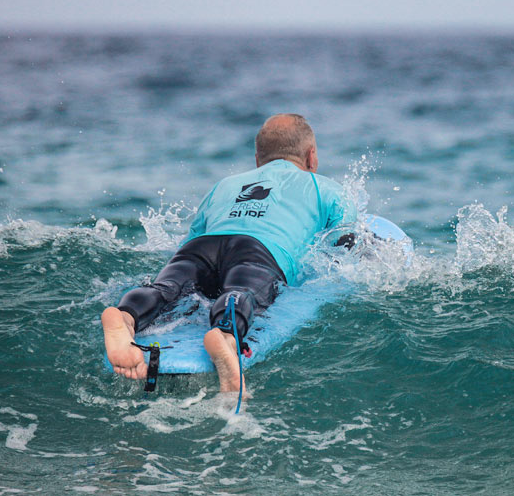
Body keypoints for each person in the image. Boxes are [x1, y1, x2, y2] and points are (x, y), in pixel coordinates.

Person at [101, 114, 354, 393]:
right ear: (312, 157)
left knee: (166, 288)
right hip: (260, 251)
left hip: (202, 247)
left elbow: (192, 238)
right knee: (241, 292)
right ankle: (225, 335)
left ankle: (126, 317)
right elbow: (345, 245)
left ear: (258, 159)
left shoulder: (224, 185)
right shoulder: (326, 188)